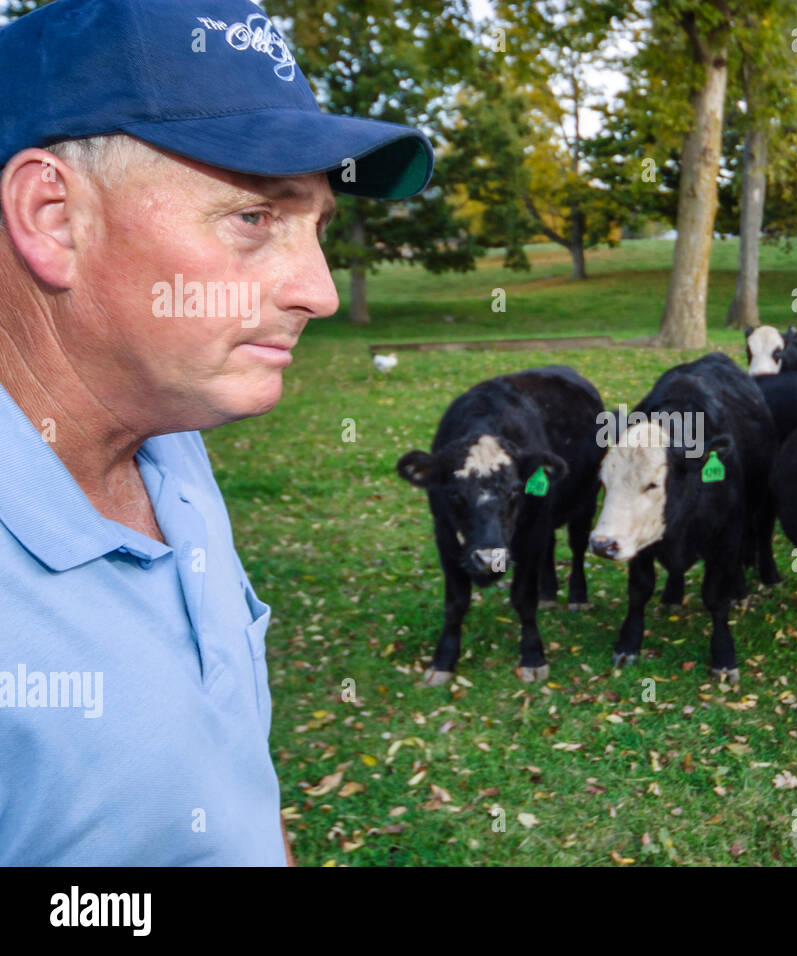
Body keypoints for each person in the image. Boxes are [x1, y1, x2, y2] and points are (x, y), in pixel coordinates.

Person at [0, 0, 433, 864]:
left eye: (315, 226)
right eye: (254, 218)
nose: (320, 292)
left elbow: (228, 774)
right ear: (53, 216)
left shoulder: (168, 440)